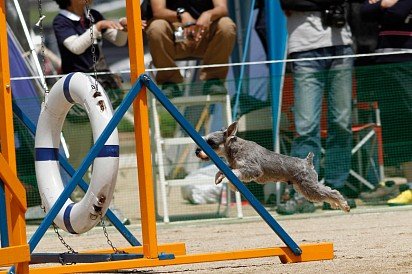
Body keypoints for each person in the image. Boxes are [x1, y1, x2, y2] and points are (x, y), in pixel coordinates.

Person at [53, 0, 130, 224]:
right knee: (79, 156)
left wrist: (123, 27)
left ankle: (107, 207)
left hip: (102, 91)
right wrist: (98, 27)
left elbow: (119, 40)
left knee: (105, 153)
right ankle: (80, 209)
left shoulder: (93, 14)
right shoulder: (60, 21)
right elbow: (76, 47)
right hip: (76, 95)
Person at [277, 0, 357, 214]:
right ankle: (303, 193)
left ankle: (335, 189)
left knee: (342, 122)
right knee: (306, 127)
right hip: (304, 49)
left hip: (342, 45)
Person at [360, 0, 412, 206]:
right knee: (398, 129)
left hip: (407, 62)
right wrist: (384, 3)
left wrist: (381, 5)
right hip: (385, 64)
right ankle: (409, 186)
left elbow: (397, 14)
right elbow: (364, 12)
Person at [145, 0, 236, 97]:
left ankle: (213, 80)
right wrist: (181, 15)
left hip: (205, 33)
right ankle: (169, 83)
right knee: (156, 27)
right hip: (174, 36)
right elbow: (158, 11)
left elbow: (222, 8)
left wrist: (208, 14)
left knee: (226, 25)